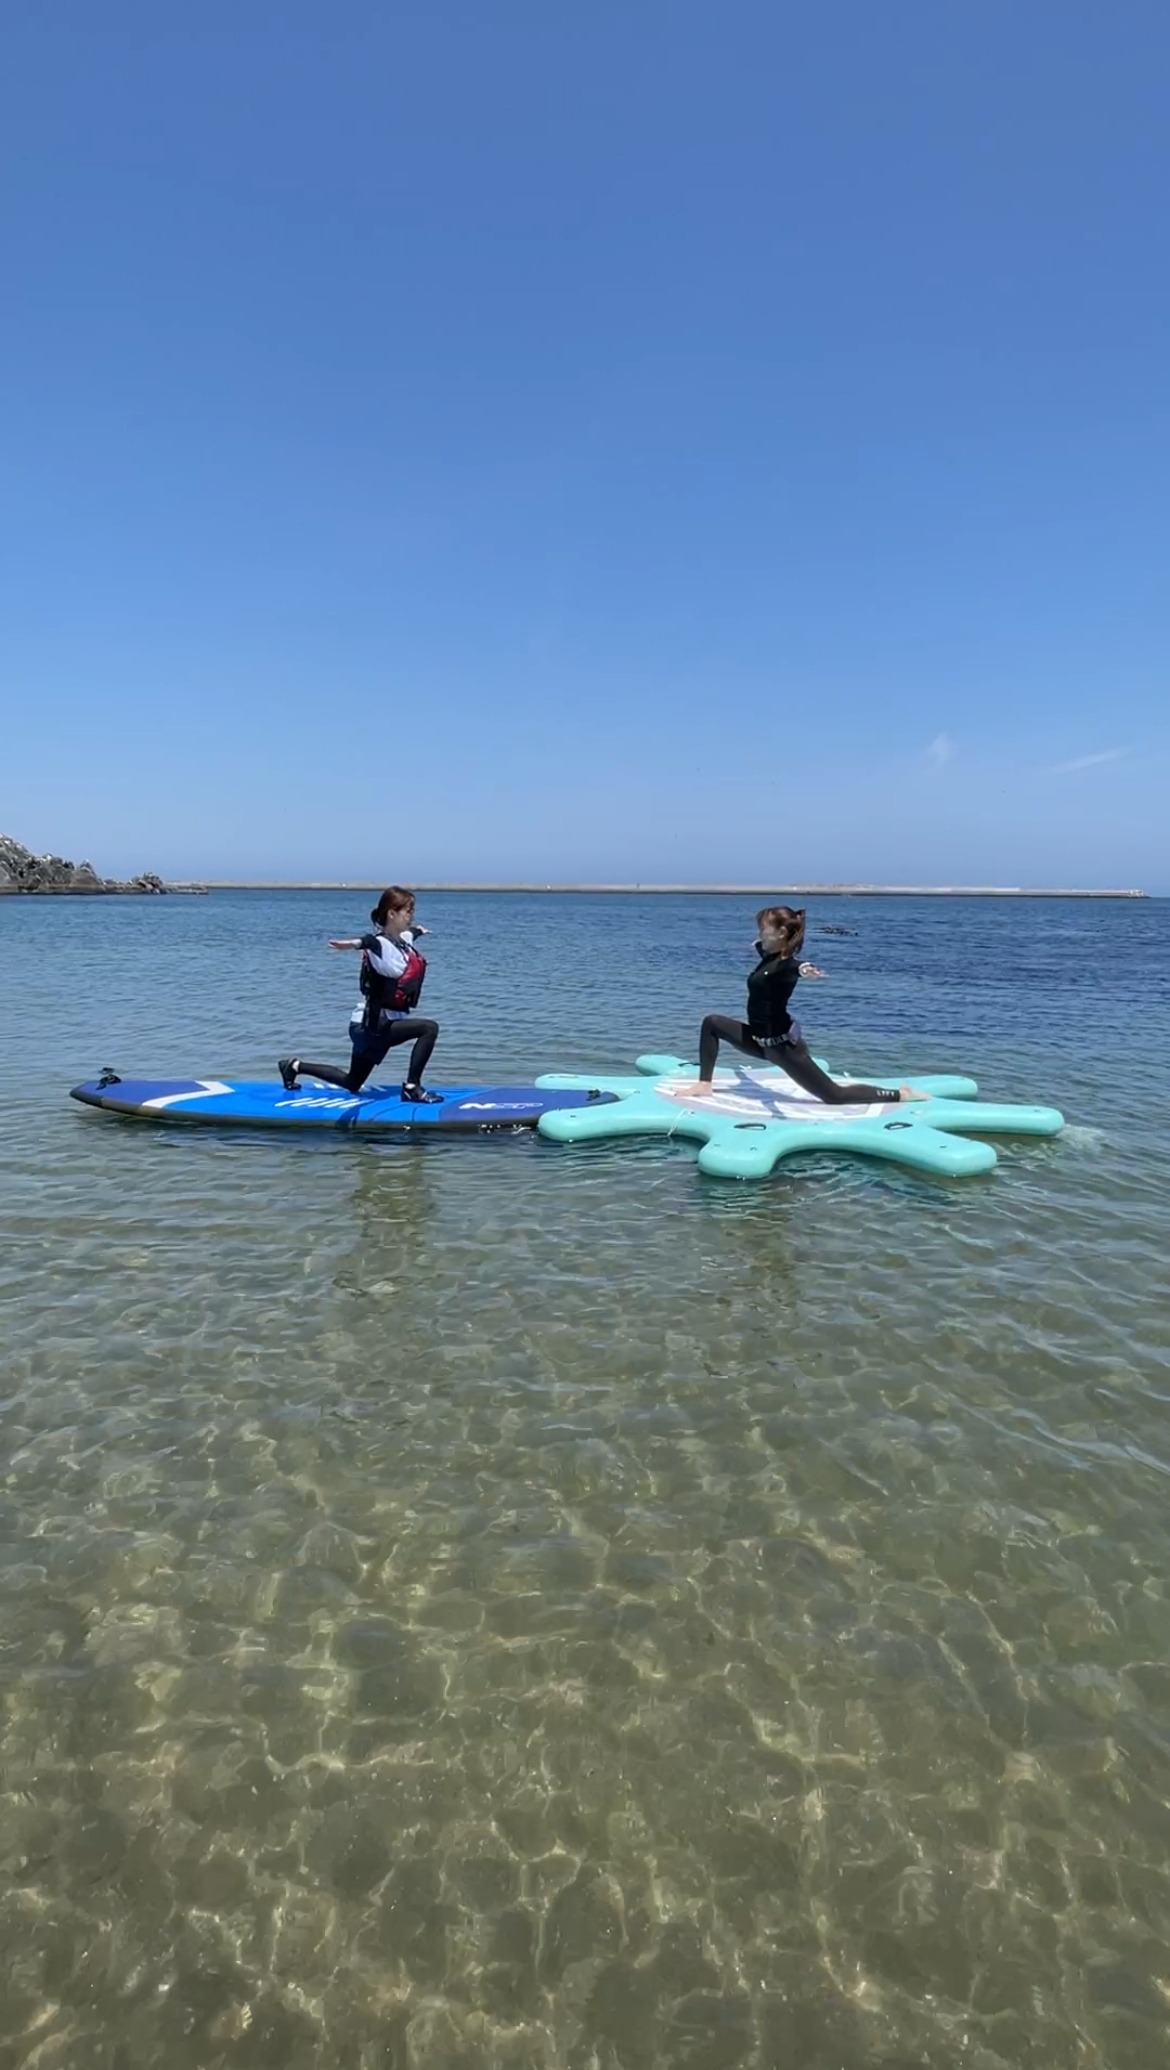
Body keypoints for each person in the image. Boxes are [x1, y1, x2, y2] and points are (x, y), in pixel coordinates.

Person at [690, 905, 927, 1104]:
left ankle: (901, 1094)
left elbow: (795, 967)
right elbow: (759, 946)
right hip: (757, 1042)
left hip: (783, 1050)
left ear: (782, 932)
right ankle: (704, 1084)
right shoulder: (767, 956)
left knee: (835, 1096)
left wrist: (806, 970)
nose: (760, 932)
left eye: (764, 928)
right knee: (712, 1023)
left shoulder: (784, 966)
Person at [278, 886, 442, 1102]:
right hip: (373, 1026)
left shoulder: (402, 942)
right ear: (392, 913)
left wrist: (419, 930)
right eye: (408, 911)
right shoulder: (380, 943)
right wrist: (352, 944)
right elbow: (366, 942)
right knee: (428, 1028)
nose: (411, 916)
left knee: (352, 1082)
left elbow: (410, 935)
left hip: (371, 1025)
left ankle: (293, 1066)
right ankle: (412, 1087)